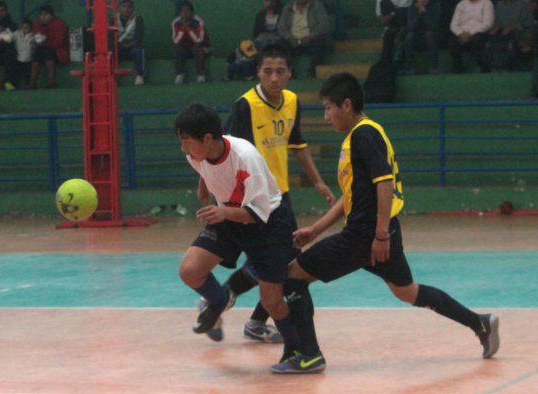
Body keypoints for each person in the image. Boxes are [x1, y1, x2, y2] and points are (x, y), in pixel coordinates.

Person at [270, 72, 500, 374]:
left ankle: (309, 355)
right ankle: (480, 323)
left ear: (347, 105)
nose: (326, 116)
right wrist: (316, 229)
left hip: (365, 235)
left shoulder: (364, 135)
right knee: (409, 292)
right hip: (378, 232)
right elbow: (350, 195)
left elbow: (385, 184)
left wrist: (379, 235)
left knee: (293, 277)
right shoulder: (362, 135)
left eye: (329, 108)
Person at [197, 43, 335, 343]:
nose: (274, 78)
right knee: (280, 264)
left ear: (289, 73)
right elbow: (220, 150)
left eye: (280, 72)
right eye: (267, 71)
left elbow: (297, 144)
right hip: (249, 198)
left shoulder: (292, 101)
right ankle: (231, 305)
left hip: (279, 196)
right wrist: (207, 185)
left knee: (281, 263)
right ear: (257, 72)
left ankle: (235, 306)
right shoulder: (245, 105)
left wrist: (318, 181)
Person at [175, 103, 303, 369]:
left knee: (272, 301)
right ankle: (219, 300)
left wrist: (222, 212)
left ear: (208, 138)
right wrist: (204, 186)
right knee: (190, 270)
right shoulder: (197, 154)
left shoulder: (245, 157)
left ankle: (299, 351)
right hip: (230, 216)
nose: (184, 149)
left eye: (187, 142)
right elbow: (205, 166)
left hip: (268, 222)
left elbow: (258, 213)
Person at [277, 0, 329, 78]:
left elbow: (323, 25)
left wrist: (311, 36)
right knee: (280, 44)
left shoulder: (317, 6)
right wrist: (289, 37)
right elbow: (281, 28)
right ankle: (290, 73)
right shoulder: (287, 8)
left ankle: (312, 72)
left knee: (320, 41)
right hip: (292, 41)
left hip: (310, 40)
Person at [27, 5, 69, 89]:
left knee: (48, 52)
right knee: (36, 55)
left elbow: (59, 42)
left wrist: (45, 41)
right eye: (41, 15)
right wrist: (38, 41)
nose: (43, 17)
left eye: (46, 14)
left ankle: (52, 82)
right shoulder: (37, 24)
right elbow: (36, 39)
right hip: (42, 49)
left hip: (58, 50)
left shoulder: (60, 24)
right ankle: (32, 83)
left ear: (52, 16)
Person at [486, 0, 534, 71]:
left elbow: (529, 23)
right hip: (502, 32)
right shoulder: (500, 4)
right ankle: (496, 65)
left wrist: (514, 27)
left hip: (520, 31)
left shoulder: (524, 4)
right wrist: (496, 28)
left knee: (511, 38)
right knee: (493, 38)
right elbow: (497, 22)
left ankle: (508, 65)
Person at [448, 0, 494, 73]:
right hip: (462, 34)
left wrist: (470, 33)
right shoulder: (461, 4)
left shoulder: (487, 3)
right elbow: (453, 24)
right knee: (452, 41)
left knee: (479, 39)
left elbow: (488, 23)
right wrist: (460, 33)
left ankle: (482, 67)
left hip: (479, 32)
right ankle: (458, 69)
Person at [171, 0, 211, 84]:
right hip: (186, 47)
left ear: (192, 12)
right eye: (183, 11)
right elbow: (176, 40)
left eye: (187, 11)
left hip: (202, 46)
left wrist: (188, 29)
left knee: (197, 49)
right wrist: (182, 29)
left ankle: (201, 75)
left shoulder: (199, 21)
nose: (185, 13)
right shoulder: (176, 23)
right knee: (178, 50)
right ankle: (180, 74)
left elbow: (199, 40)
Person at [403, 0, 441, 74]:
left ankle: (434, 67)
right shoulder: (412, 7)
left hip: (432, 35)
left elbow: (433, 27)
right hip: (417, 36)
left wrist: (425, 13)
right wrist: (419, 14)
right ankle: (410, 67)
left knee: (429, 35)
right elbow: (411, 27)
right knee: (409, 36)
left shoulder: (435, 6)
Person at [115, 0, 146, 86]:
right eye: (124, 6)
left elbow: (138, 38)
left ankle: (140, 75)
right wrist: (119, 46)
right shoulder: (114, 19)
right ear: (120, 8)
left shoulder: (138, 19)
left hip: (132, 47)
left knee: (138, 50)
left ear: (133, 8)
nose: (126, 9)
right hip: (119, 49)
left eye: (129, 7)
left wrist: (127, 45)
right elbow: (111, 37)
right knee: (110, 51)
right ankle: (112, 77)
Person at [0, 19, 34, 90]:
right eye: (23, 27)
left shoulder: (33, 35)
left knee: (28, 75)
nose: (25, 29)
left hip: (29, 59)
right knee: (16, 74)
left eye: (27, 27)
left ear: (31, 28)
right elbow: (8, 37)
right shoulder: (17, 33)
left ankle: (29, 86)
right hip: (18, 59)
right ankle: (14, 86)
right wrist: (4, 37)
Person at [376, 0, 412, 65]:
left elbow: (404, 8)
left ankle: (401, 64)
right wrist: (385, 19)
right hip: (391, 24)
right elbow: (380, 14)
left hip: (406, 21)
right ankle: (385, 62)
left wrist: (392, 14)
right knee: (388, 34)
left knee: (401, 35)